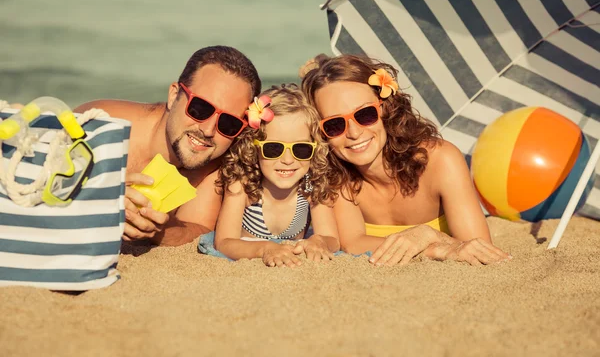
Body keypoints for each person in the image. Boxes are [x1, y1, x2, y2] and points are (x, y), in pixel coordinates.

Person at [300, 54, 511, 266]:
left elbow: (479, 247)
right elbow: (353, 243)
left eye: (365, 114)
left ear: (386, 108)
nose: (354, 133)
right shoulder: (337, 176)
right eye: (334, 125)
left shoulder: (441, 161)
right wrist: (431, 246)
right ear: (321, 133)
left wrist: (428, 234)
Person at [74, 46, 261, 246]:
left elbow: (198, 229)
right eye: (200, 108)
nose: (208, 130)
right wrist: (97, 196)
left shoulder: (214, 166)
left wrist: (158, 230)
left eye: (228, 123)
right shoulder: (103, 124)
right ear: (174, 96)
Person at [214, 84, 340, 267]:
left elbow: (333, 239)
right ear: (253, 147)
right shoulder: (243, 185)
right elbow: (224, 242)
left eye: (301, 149)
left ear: (315, 149)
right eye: (273, 149)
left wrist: (319, 240)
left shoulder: (312, 186)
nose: (288, 160)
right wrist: (265, 248)